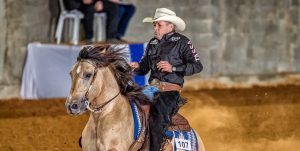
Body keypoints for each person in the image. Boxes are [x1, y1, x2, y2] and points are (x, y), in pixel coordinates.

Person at [130, 8, 203, 151]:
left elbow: (197, 66)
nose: (155, 28)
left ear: (171, 26)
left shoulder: (183, 42)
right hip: (151, 88)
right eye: (154, 25)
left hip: (169, 92)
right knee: (127, 104)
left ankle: (159, 144)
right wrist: (136, 67)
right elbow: (144, 68)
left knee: (157, 120)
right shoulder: (152, 43)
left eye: (159, 25)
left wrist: (173, 68)